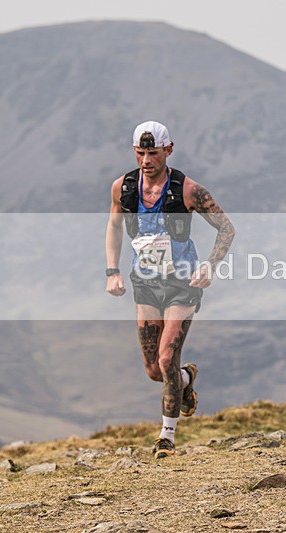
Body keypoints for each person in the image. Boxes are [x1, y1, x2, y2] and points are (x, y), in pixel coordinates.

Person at [105, 121, 235, 459]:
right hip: (145, 284)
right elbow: (114, 227)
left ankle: (167, 437)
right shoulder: (124, 188)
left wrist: (209, 266)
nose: (146, 160)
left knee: (166, 358)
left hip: (182, 283)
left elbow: (226, 228)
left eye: (153, 153)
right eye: (140, 153)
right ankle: (186, 380)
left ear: (169, 151)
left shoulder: (187, 190)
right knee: (154, 369)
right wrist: (112, 271)